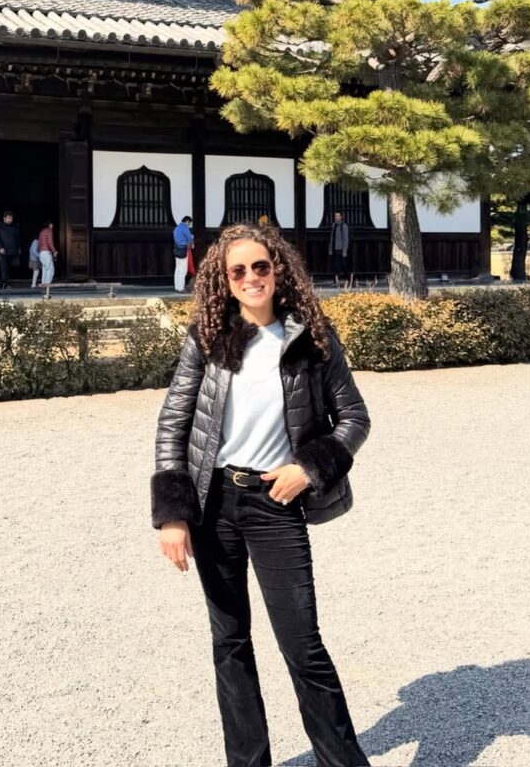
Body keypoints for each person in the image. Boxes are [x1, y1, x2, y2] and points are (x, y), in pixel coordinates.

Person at [150, 223, 371, 767]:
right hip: (214, 504)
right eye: (238, 271)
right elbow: (174, 422)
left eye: (260, 267)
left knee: (303, 646)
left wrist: (308, 469)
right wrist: (172, 514)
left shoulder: (312, 337)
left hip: (276, 503)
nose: (251, 278)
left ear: (278, 270)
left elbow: (354, 417)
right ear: (223, 281)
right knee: (229, 643)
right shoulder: (208, 337)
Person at [0, 210, 21, 290]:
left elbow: (17, 239)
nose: (10, 220)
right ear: (4, 218)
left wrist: (18, 248)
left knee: (11, 267)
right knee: (4, 268)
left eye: (11, 218)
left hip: (13, 252)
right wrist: (0, 247)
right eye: (8, 218)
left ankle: (3, 283)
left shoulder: (14, 227)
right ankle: (4, 284)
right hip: (3, 252)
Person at [328, 210, 353, 288]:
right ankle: (336, 282)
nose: (336, 217)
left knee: (345, 267)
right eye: (335, 216)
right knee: (336, 267)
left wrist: (345, 250)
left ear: (341, 217)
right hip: (335, 249)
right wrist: (330, 249)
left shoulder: (344, 226)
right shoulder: (334, 226)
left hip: (341, 249)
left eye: (338, 216)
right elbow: (332, 238)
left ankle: (349, 280)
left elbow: (346, 239)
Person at [173, 215, 194, 293]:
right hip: (183, 250)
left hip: (176, 250)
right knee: (183, 270)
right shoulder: (185, 228)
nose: (189, 225)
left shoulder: (176, 228)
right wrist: (192, 241)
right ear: (187, 221)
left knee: (177, 269)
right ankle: (181, 288)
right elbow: (189, 238)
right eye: (189, 223)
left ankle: (177, 287)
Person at [37, 219, 58, 292]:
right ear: (49, 225)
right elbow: (50, 242)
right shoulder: (49, 231)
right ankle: (47, 286)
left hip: (41, 253)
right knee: (50, 269)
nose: (53, 226)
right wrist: (54, 251)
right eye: (52, 224)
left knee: (45, 270)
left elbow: (39, 243)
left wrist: (39, 251)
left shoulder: (42, 231)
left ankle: (43, 286)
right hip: (46, 252)